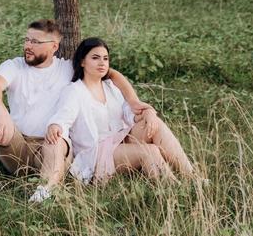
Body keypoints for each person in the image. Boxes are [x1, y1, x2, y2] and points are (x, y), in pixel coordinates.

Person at [0, 20, 156, 203]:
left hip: (52, 148)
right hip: (16, 146)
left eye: (36, 42)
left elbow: (111, 74)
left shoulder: (68, 68)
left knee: (58, 137)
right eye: (27, 39)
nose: (28, 45)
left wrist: (133, 100)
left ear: (53, 47)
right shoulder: (14, 65)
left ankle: (46, 191)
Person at [45, 37, 194, 188]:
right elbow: (63, 117)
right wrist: (56, 126)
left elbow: (130, 114)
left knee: (156, 123)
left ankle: (192, 177)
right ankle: (174, 190)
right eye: (95, 58)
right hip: (96, 153)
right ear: (82, 62)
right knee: (150, 151)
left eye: (105, 58)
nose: (102, 63)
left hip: (120, 140)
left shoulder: (111, 87)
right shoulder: (74, 91)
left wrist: (147, 113)